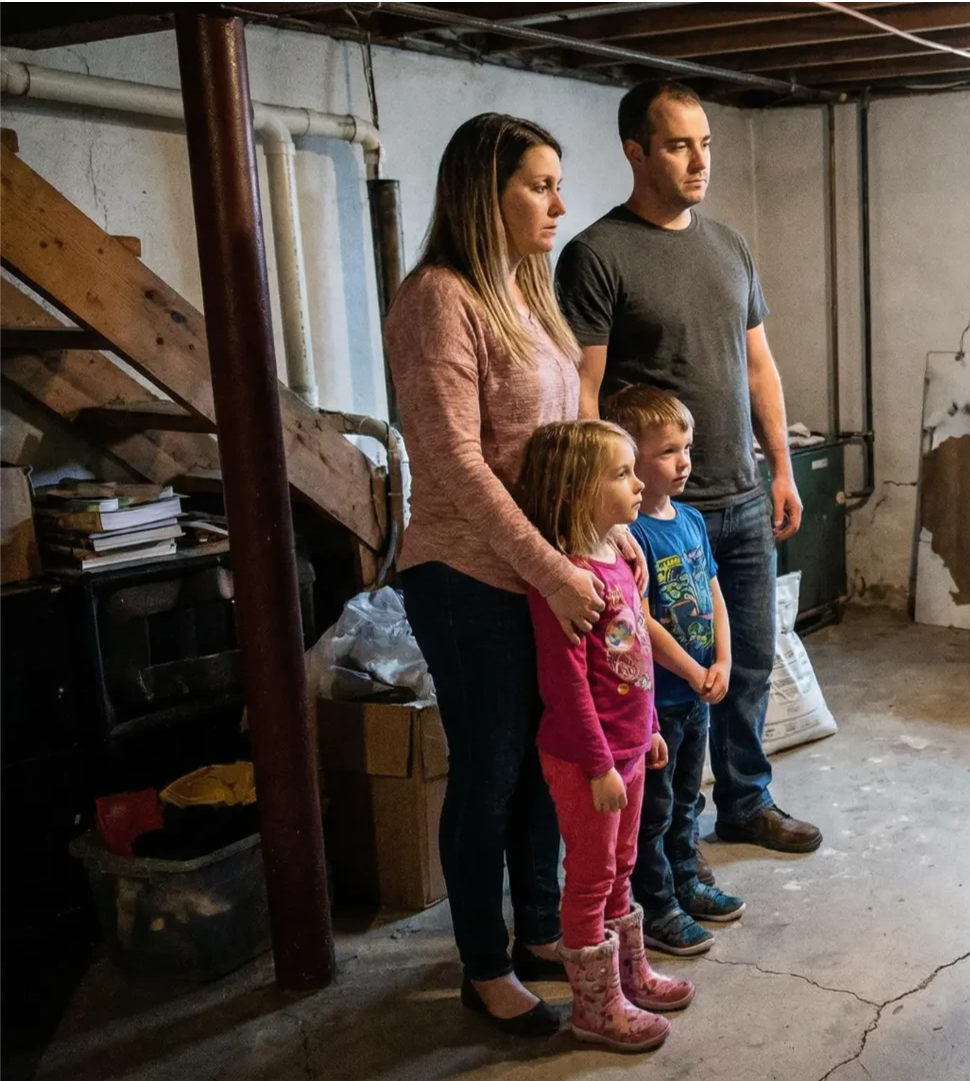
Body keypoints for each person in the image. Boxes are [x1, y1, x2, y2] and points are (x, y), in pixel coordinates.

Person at [556, 79, 820, 854]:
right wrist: (600, 511)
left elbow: (760, 367)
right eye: (678, 144)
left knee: (748, 664)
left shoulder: (729, 245)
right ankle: (660, 843)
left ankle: (745, 800)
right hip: (660, 515)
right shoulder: (597, 255)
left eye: (704, 142)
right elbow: (586, 390)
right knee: (663, 689)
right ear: (635, 151)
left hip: (740, 497)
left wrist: (781, 467)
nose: (699, 159)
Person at [388, 113, 600, 1036]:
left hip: (543, 571)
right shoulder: (440, 297)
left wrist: (599, 532)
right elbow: (458, 466)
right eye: (538, 185)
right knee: (491, 769)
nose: (559, 203)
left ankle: (540, 928)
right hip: (469, 574)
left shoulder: (530, 289)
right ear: (486, 192)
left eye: (557, 183)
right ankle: (482, 961)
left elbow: (557, 439)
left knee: (543, 769)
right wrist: (554, 569)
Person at [520, 419, 696, 1052]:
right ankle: (594, 1008)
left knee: (621, 868)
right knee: (591, 878)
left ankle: (628, 976)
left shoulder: (620, 558)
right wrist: (598, 766)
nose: (635, 482)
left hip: (627, 748)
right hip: (584, 759)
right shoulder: (565, 582)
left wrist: (647, 728)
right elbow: (565, 689)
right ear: (575, 493)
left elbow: (637, 657)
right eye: (620, 473)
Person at [604, 385, 748, 958]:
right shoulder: (631, 534)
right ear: (630, 462)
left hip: (695, 692)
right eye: (667, 451)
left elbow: (713, 593)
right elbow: (639, 622)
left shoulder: (689, 519)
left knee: (689, 798)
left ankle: (687, 881)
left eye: (686, 447)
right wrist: (692, 670)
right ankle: (656, 903)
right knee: (656, 809)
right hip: (658, 699)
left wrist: (723, 661)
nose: (684, 461)